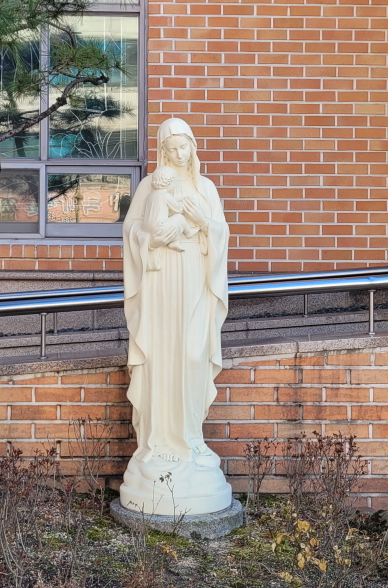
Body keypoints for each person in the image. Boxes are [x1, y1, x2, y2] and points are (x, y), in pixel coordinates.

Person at [120, 117, 231, 516]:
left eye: (184, 147)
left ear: (192, 147)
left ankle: (190, 439)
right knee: (161, 357)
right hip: (160, 284)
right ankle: (158, 442)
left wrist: (199, 221)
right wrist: (154, 237)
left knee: (191, 355)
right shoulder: (150, 186)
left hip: (194, 284)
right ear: (162, 151)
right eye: (172, 148)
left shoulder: (206, 188)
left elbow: (220, 234)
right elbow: (131, 232)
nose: (179, 154)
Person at [141, 165, 197, 258]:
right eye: (173, 182)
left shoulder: (149, 196)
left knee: (171, 221)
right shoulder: (165, 195)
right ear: (167, 183)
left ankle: (173, 242)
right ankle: (188, 232)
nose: (175, 185)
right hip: (159, 228)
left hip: (147, 230)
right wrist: (184, 203)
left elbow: (144, 213)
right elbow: (178, 209)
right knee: (179, 218)